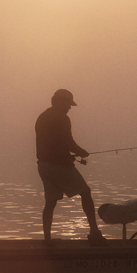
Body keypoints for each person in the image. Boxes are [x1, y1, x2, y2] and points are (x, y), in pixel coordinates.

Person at [35, 89, 107, 244]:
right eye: (68, 104)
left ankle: (47, 239)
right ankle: (94, 233)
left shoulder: (42, 117)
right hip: (58, 166)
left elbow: (53, 142)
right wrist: (81, 152)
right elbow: (67, 141)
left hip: (43, 166)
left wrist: (68, 153)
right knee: (86, 193)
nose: (69, 108)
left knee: (50, 202)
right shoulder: (62, 118)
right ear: (59, 102)